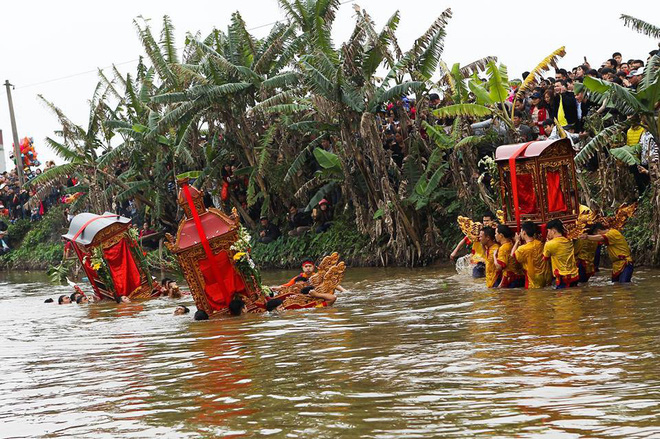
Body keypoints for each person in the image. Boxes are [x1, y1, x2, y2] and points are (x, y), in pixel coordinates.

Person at [449, 212, 495, 279]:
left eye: (487, 221)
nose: (485, 223)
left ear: (492, 221)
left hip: (489, 256)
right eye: (484, 221)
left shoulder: (495, 231)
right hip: (478, 257)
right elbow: (465, 239)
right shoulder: (477, 230)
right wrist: (454, 252)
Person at [512, 221, 550, 289]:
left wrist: (517, 241)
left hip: (532, 282)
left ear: (524, 232)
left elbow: (512, 255)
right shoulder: (540, 244)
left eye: (521, 231)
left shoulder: (523, 249)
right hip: (545, 278)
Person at [543, 219, 579, 288]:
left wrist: (546, 243)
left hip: (563, 277)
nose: (548, 234)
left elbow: (545, 258)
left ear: (553, 231)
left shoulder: (550, 244)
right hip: (574, 275)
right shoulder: (569, 240)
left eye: (548, 231)